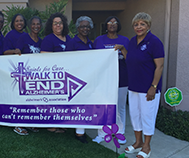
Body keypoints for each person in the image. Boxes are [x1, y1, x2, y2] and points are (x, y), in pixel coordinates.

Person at [115, 12, 164, 158]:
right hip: (133, 87)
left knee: (147, 117)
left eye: (142, 24)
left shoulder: (154, 42)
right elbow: (130, 59)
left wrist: (153, 87)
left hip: (148, 88)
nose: (139, 27)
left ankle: (147, 146)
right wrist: (123, 49)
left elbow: (159, 67)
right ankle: (138, 143)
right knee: (135, 116)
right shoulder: (132, 41)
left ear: (148, 26)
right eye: (136, 24)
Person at [92, 16, 129, 145]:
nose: (112, 24)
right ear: (105, 26)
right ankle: (102, 134)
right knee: (102, 107)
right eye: (109, 22)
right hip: (103, 80)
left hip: (122, 79)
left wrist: (123, 49)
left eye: (115, 22)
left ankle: (120, 133)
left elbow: (130, 60)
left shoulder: (125, 40)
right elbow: (94, 59)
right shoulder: (98, 40)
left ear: (118, 25)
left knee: (120, 107)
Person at [66, 16, 94, 143]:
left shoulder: (90, 43)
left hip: (88, 78)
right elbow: (68, 61)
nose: (85, 29)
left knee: (85, 104)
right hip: (76, 79)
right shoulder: (72, 42)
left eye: (87, 26)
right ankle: (79, 133)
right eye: (82, 26)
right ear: (78, 28)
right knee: (78, 104)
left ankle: (81, 130)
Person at [41, 12, 71, 133]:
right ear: (51, 26)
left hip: (67, 75)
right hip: (54, 76)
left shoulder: (69, 38)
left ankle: (62, 123)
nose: (58, 26)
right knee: (53, 101)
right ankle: (51, 126)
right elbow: (44, 58)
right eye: (55, 23)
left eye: (60, 23)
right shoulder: (48, 39)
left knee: (63, 100)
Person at [3, 14, 28, 135]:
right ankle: (17, 125)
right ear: (13, 23)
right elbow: (4, 52)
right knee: (17, 97)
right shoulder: (10, 35)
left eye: (21, 20)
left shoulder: (26, 35)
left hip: (27, 72)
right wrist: (14, 51)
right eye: (17, 21)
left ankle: (28, 123)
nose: (19, 23)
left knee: (25, 98)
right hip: (15, 71)